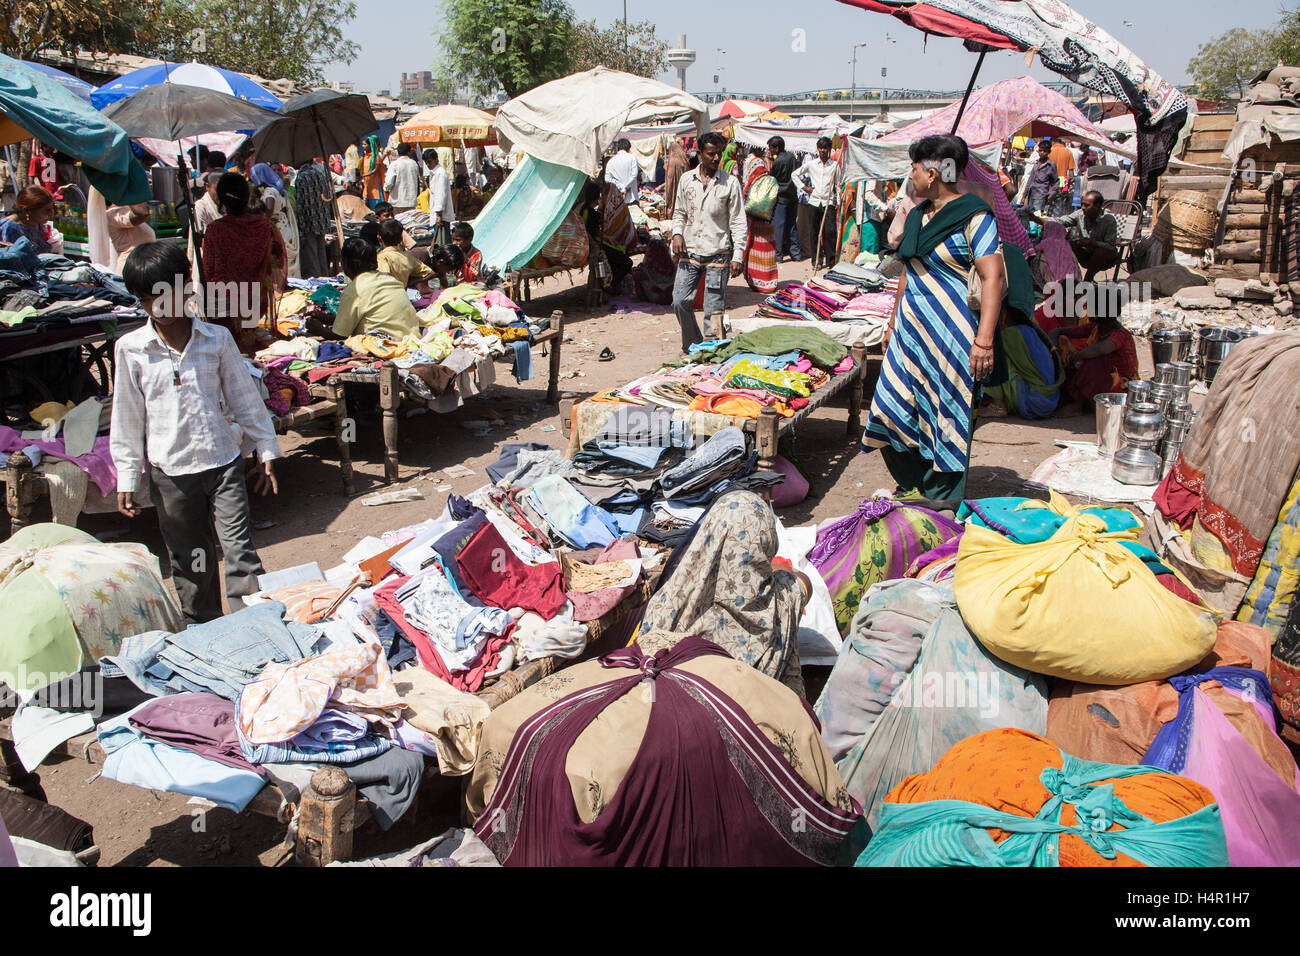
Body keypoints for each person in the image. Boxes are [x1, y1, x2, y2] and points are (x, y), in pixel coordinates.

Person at [111, 241, 280, 624]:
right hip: (170, 472)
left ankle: (255, 627)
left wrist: (266, 449)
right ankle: (204, 629)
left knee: (240, 553)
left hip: (223, 464)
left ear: (187, 288)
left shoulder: (216, 340)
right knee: (190, 560)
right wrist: (126, 473)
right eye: (146, 299)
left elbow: (244, 400)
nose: (158, 307)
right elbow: (127, 416)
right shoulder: (131, 349)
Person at [862, 134, 1003, 502]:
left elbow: (993, 277)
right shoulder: (915, 218)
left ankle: (943, 497)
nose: (910, 175)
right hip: (910, 331)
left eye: (913, 167)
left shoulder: (975, 216)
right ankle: (917, 481)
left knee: (947, 413)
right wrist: (892, 323)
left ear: (934, 172)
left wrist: (984, 339)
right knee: (889, 407)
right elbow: (906, 272)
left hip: (952, 334)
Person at [638, 490, 807, 694]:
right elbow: (802, 585)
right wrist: (784, 574)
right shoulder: (776, 605)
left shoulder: (670, 600)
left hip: (667, 706)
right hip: (743, 717)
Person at [670, 131, 747, 352]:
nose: (716, 158)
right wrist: (677, 234)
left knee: (713, 311)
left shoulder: (730, 183)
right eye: (711, 154)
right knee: (679, 301)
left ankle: (712, 354)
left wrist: (738, 255)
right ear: (700, 154)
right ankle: (694, 344)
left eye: (718, 154)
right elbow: (679, 213)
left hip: (718, 253)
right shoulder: (687, 180)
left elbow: (738, 222)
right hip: (690, 250)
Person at [202, 173, 285, 355]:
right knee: (245, 345)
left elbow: (208, 271)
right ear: (247, 197)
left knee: (228, 349)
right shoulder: (264, 225)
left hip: (225, 302)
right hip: (255, 300)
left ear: (221, 199)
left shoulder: (215, 230)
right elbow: (278, 258)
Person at [306, 237, 420, 341]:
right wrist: (327, 319)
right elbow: (374, 314)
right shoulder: (389, 280)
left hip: (385, 343)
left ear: (346, 263)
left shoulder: (355, 289)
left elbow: (340, 335)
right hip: (411, 339)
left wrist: (318, 328)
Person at [1053, 294, 1138, 410]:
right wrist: (1053, 349)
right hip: (1104, 381)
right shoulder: (1096, 327)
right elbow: (1059, 331)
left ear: (1099, 312)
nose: (1087, 310)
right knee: (1064, 342)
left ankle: (1078, 405)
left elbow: (1101, 349)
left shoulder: (1121, 334)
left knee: (1095, 361)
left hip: (1121, 387)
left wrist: (1075, 357)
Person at [1039, 189, 1121, 280]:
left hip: (1105, 258)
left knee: (1100, 252)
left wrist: (1093, 243)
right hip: (1086, 254)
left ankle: (1087, 280)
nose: (1083, 207)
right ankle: (1066, 277)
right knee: (1065, 244)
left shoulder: (1109, 220)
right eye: (1082, 204)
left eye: (1086, 205)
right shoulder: (1080, 214)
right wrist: (1038, 219)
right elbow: (1061, 221)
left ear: (1097, 206)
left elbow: (1111, 246)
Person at [251, 163, 300, 279]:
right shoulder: (279, 190)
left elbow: (269, 208)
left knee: (279, 263)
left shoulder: (269, 191)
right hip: (285, 228)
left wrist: (262, 219)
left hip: (277, 229)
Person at [797, 136, 839, 269]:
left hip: (828, 202)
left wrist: (837, 199)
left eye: (825, 148)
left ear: (829, 149)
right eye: (820, 148)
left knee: (831, 231)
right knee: (814, 232)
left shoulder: (834, 166)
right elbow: (795, 175)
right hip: (814, 202)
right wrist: (805, 188)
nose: (822, 150)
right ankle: (817, 260)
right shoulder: (812, 164)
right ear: (817, 149)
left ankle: (831, 261)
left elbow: (837, 184)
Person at [741, 148, 778, 294]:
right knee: (767, 251)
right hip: (768, 224)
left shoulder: (752, 182)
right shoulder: (770, 179)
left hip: (755, 226)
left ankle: (756, 281)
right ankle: (769, 281)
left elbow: (746, 203)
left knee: (756, 251)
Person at [295, 157, 332, 278]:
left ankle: (317, 285)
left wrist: (301, 231)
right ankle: (325, 280)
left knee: (312, 260)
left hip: (308, 223)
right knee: (321, 256)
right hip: (321, 221)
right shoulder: (320, 174)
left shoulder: (301, 177)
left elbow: (300, 205)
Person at [376, 218, 435, 293]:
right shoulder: (407, 257)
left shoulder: (382, 258)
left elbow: (383, 278)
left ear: (379, 237)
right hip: (403, 296)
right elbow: (430, 273)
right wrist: (409, 283)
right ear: (401, 238)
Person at [767, 136, 801, 262]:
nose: (769, 150)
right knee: (792, 225)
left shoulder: (777, 162)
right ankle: (795, 254)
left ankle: (778, 255)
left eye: (770, 148)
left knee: (779, 226)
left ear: (776, 148)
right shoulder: (792, 157)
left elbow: (772, 177)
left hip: (781, 196)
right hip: (792, 195)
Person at [1, 185, 57, 253]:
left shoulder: (38, 223)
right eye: (46, 211)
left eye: (52, 209)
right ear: (26, 211)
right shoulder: (10, 229)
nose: (51, 214)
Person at [107, 202, 156, 272]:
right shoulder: (112, 213)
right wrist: (130, 195)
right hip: (132, 268)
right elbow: (142, 214)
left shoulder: (126, 210)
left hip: (143, 266)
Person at [1022, 140, 1059, 215]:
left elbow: (1056, 181)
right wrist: (1024, 195)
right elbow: (1030, 179)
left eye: (1044, 151)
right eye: (1040, 150)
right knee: (1030, 215)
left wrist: (1052, 193)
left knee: (1037, 215)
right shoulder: (1036, 163)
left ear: (1048, 152)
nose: (1042, 152)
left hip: (1041, 195)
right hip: (1031, 193)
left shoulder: (1051, 165)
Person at [426, 149, 455, 245]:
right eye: (426, 163)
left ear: (436, 160)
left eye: (430, 162)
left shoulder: (440, 173)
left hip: (442, 215)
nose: (428, 165)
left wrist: (439, 214)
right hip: (438, 213)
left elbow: (441, 194)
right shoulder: (434, 173)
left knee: (442, 241)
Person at [383, 142, 421, 213]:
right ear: (409, 152)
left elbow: (388, 182)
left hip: (397, 201)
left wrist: (386, 189)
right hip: (411, 201)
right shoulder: (414, 164)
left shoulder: (394, 164)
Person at [605, 137, 640, 206]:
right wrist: (624, 187)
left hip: (617, 199)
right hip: (631, 198)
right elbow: (634, 176)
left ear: (617, 148)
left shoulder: (611, 161)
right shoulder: (632, 158)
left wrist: (620, 186)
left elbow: (607, 179)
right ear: (629, 148)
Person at [662, 138, 689, 221]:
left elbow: (669, 181)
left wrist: (667, 195)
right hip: (684, 190)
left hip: (674, 192)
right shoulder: (684, 161)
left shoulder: (672, 162)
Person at [193, 171, 223, 236]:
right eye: (217, 189)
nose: (220, 193)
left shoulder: (227, 205)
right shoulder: (200, 206)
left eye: (223, 190)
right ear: (207, 186)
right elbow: (199, 235)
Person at [360, 136, 385, 208]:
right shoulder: (365, 157)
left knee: (376, 203)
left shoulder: (376, 157)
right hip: (367, 184)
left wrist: (365, 175)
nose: (363, 146)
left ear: (370, 145)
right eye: (363, 144)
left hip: (375, 184)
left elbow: (375, 170)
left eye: (365, 144)